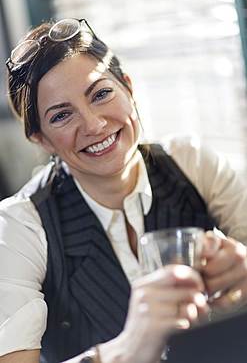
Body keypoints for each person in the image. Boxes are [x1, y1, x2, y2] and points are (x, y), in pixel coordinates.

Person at [0, 18, 247, 363]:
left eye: (101, 94)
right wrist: (128, 346)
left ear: (128, 89)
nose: (95, 125)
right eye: (61, 116)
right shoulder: (19, 227)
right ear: (40, 140)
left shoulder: (193, 163)